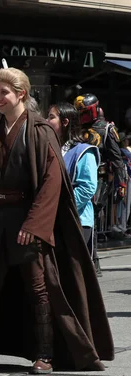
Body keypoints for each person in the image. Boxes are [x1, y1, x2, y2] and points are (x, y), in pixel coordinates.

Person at [0, 68, 114, 376]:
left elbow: (51, 181)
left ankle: (44, 353)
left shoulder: (41, 131)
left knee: (38, 287)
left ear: (22, 95)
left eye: (4, 92)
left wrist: (34, 223)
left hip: (26, 220)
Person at [74, 93, 127, 275]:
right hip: (78, 178)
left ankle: (92, 260)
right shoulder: (78, 129)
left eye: (84, 112)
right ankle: (91, 260)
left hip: (100, 181)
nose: (81, 116)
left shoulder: (106, 130)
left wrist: (122, 184)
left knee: (93, 218)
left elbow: (117, 158)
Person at [47, 102, 99, 252]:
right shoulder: (50, 149)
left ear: (65, 122)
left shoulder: (83, 151)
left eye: (51, 117)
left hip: (77, 221)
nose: (46, 121)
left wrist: (62, 206)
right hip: (53, 220)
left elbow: (87, 187)